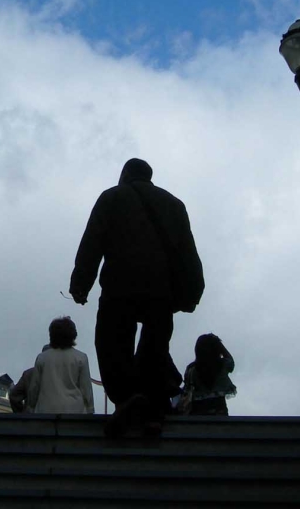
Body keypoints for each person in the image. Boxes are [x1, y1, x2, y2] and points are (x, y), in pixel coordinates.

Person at [69, 158, 204, 436]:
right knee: (155, 348)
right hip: (160, 291)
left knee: (111, 342)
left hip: (120, 286)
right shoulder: (174, 205)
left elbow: (92, 242)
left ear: (125, 174)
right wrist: (193, 292)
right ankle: (153, 407)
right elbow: (188, 252)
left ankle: (127, 399)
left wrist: (81, 284)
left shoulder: (111, 197)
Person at [27, 317, 95, 415]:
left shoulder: (42, 358)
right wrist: (90, 409)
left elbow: (34, 387)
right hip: (75, 411)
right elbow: (86, 389)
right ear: (73, 335)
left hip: (46, 410)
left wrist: (31, 407)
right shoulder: (81, 358)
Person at [179, 333, 236, 416]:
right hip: (219, 410)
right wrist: (218, 344)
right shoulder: (222, 365)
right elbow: (231, 361)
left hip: (197, 411)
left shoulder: (191, 369)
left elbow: (187, 389)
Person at [9, 345, 49, 413]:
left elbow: (14, 396)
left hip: (31, 417)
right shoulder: (59, 374)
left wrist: (22, 415)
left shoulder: (29, 374)